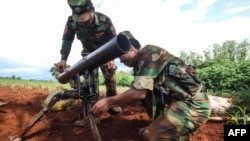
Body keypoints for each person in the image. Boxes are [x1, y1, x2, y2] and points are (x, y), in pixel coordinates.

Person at [91, 30, 211, 141]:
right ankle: (164, 126)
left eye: (120, 55)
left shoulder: (149, 53)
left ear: (131, 48)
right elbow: (139, 92)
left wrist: (108, 101)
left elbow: (138, 93)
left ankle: (178, 133)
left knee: (150, 137)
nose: (120, 60)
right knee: (146, 98)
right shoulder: (140, 64)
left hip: (194, 105)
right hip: (178, 102)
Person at [56, 0, 121, 121]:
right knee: (90, 83)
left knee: (110, 79)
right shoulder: (71, 22)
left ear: (92, 11)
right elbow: (67, 40)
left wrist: (112, 58)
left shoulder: (105, 21)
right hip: (88, 54)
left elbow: (114, 40)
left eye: (85, 19)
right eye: (79, 19)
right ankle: (93, 111)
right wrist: (63, 59)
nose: (83, 22)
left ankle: (112, 104)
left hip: (106, 53)